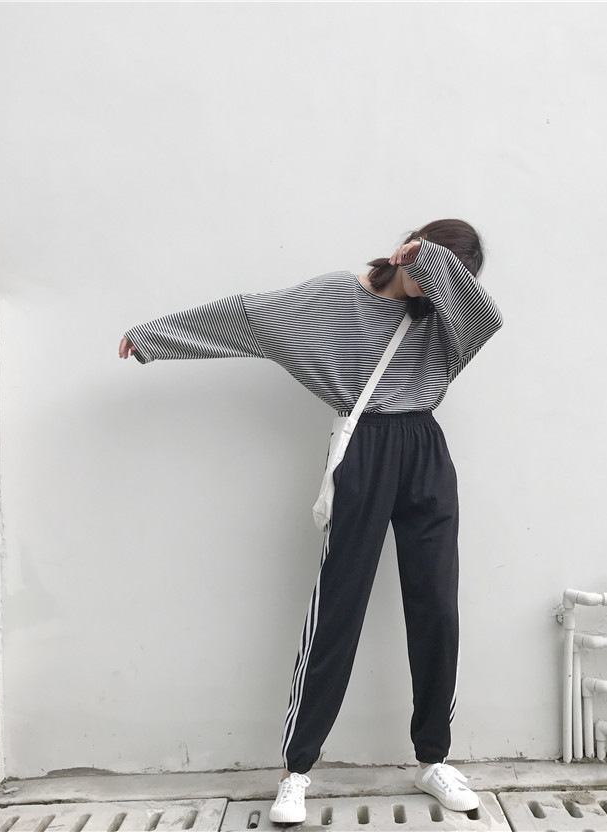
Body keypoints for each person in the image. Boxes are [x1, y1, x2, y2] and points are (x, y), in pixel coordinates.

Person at [119, 219, 503, 824]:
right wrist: (154, 336)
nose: (431, 286)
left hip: (425, 451)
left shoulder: (447, 321)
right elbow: (252, 316)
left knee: (437, 607)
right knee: (338, 608)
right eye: (427, 267)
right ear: (406, 247)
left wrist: (432, 266)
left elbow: (485, 319)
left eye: (446, 278)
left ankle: (434, 759)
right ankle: (296, 771)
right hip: (365, 449)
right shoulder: (337, 297)